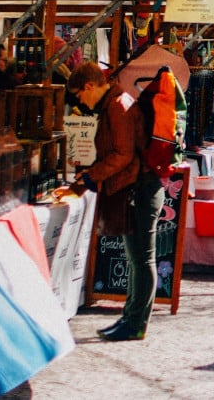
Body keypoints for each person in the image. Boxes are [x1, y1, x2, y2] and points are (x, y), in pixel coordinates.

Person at [64, 61, 162, 341]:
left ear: (89, 87)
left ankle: (136, 324)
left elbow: (122, 155)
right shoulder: (116, 102)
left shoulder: (117, 105)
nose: (80, 102)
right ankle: (130, 318)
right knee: (135, 258)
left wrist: (91, 176)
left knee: (142, 259)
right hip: (138, 187)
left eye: (80, 96)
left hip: (141, 189)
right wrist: (88, 178)